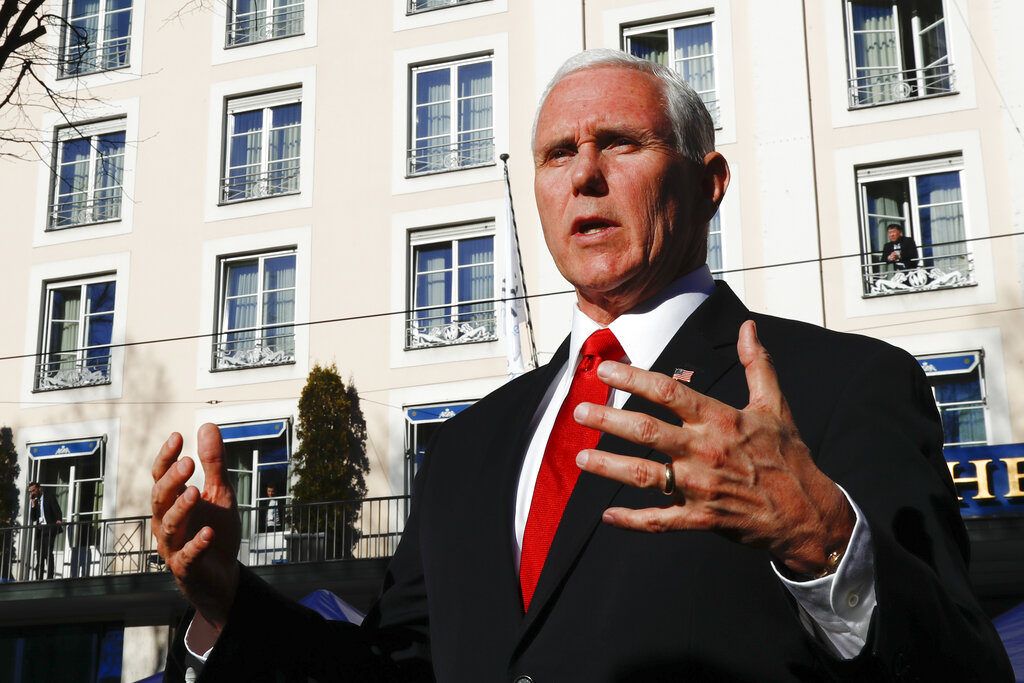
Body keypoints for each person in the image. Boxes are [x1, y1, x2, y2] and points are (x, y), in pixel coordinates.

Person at [152, 50, 1011, 681]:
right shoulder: (467, 449)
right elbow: (391, 668)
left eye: (621, 144)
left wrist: (822, 538)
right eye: (558, 153)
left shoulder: (838, 385)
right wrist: (229, 602)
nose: (585, 175)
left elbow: (963, 668)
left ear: (708, 182)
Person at [27, 481, 63, 581]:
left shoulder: (48, 497)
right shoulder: (35, 501)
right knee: (40, 555)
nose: (32, 493)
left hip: (50, 528)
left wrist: (59, 520)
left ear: (39, 488)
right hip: (40, 530)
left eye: (33, 490)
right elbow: (33, 518)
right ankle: (39, 578)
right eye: (30, 491)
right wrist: (33, 505)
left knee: (48, 553)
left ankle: (50, 577)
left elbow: (57, 510)